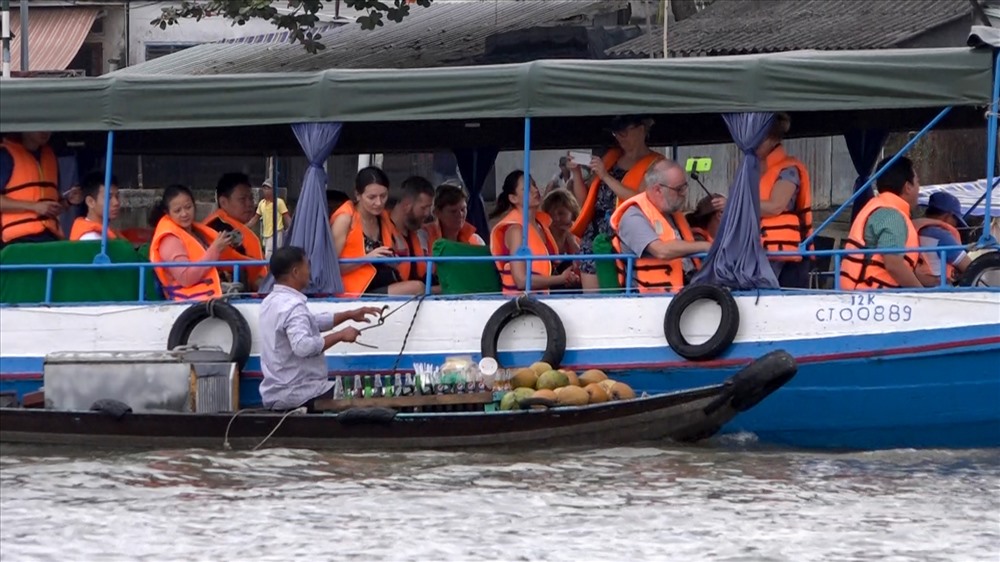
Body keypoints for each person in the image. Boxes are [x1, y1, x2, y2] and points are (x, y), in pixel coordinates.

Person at [259, 246, 382, 412]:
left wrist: (349, 314)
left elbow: (309, 322)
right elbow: (303, 347)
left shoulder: (270, 302)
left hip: (278, 392)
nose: (309, 271)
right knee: (366, 394)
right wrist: (340, 335)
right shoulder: (292, 306)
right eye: (306, 266)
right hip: (299, 392)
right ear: (296, 272)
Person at [569, 115, 664, 292]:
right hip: (595, 235)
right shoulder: (610, 158)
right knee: (592, 301)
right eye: (616, 133)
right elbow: (585, 201)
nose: (620, 138)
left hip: (627, 235)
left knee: (622, 295)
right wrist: (576, 174)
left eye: (624, 132)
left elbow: (641, 198)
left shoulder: (655, 163)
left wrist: (606, 176)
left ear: (642, 129)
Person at [609, 160, 711, 293]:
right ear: (658, 190)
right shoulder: (633, 217)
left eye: (685, 187)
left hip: (687, 289)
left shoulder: (672, 213)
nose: (684, 194)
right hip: (650, 299)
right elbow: (661, 251)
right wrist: (706, 246)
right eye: (679, 189)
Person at [841, 156, 936, 290]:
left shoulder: (877, 207)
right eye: (917, 182)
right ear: (908, 187)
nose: (918, 189)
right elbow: (893, 264)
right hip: (876, 299)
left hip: (858, 296)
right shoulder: (893, 217)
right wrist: (922, 293)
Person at [330, 166, 425, 296]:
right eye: (372, 197)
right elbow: (331, 268)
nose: (379, 202)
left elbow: (399, 249)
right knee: (418, 287)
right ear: (358, 195)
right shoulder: (345, 219)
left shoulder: (383, 218)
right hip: (354, 291)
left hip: (382, 281)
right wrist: (367, 258)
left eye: (383, 196)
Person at [489, 170, 579, 295]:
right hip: (522, 304)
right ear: (513, 198)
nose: (535, 190)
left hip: (543, 298)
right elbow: (520, 280)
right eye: (527, 188)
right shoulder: (516, 230)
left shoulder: (542, 225)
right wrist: (560, 279)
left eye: (534, 185)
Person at [756, 113, 814, 288]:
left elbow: (776, 206)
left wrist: (736, 206)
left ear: (772, 139)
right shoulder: (754, 169)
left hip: (789, 255)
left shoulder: (788, 170)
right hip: (760, 251)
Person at [149, 184, 233, 301]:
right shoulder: (169, 239)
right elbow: (186, 278)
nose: (184, 214)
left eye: (188, 207)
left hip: (213, 297)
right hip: (189, 305)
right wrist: (215, 250)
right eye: (177, 211)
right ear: (167, 213)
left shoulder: (195, 232)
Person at [0, 132, 82, 246]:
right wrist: (34, 207)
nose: (45, 131)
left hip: (50, 236)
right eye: (39, 126)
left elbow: (50, 203)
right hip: (18, 241)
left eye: (49, 127)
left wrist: (67, 202)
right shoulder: (5, 156)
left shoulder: (50, 156)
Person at [202, 172, 266, 291]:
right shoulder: (218, 228)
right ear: (223, 202)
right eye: (242, 199)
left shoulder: (232, 225)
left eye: (251, 198)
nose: (249, 204)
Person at [915, 191, 972, 285]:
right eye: (956, 221)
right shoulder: (942, 236)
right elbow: (970, 267)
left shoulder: (913, 228)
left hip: (914, 285)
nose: (956, 226)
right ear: (947, 217)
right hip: (939, 290)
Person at [389, 176, 436, 284]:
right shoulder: (383, 234)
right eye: (423, 208)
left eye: (429, 208)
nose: (427, 214)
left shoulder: (419, 235)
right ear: (406, 205)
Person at [69, 172, 122, 241]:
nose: (116, 203)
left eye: (117, 196)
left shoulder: (104, 231)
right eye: (109, 197)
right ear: (90, 202)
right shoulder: (91, 238)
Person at [540, 188, 581, 274]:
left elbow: (585, 265)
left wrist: (572, 240)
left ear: (573, 213)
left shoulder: (580, 234)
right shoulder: (542, 235)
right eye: (551, 214)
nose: (556, 219)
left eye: (561, 213)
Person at [249, 179, 292, 260]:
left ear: (273, 190)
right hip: (266, 234)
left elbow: (286, 217)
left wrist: (293, 228)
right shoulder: (262, 203)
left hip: (277, 232)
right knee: (268, 255)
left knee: (272, 256)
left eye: (268, 188)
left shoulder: (279, 202)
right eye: (264, 188)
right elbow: (255, 218)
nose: (265, 190)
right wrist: (244, 227)